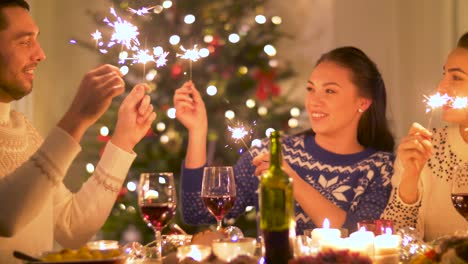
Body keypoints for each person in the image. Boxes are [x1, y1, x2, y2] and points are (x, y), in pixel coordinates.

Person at [174, 46, 395, 234]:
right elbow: (197, 212)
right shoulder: (272, 153)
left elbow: (359, 238)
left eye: (329, 91)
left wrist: (290, 179)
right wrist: (197, 130)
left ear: (363, 103)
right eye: (311, 89)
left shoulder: (381, 169)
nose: (314, 101)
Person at [0, 1, 157, 262]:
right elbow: (5, 216)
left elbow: (72, 228)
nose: (40, 54)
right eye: (24, 42)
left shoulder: (23, 129)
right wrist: (76, 118)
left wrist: (123, 141)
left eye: (36, 40)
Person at [381, 32, 468, 241]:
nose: (441, 87)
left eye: (456, 77)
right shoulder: (426, 147)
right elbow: (392, 236)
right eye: (444, 75)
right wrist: (410, 177)